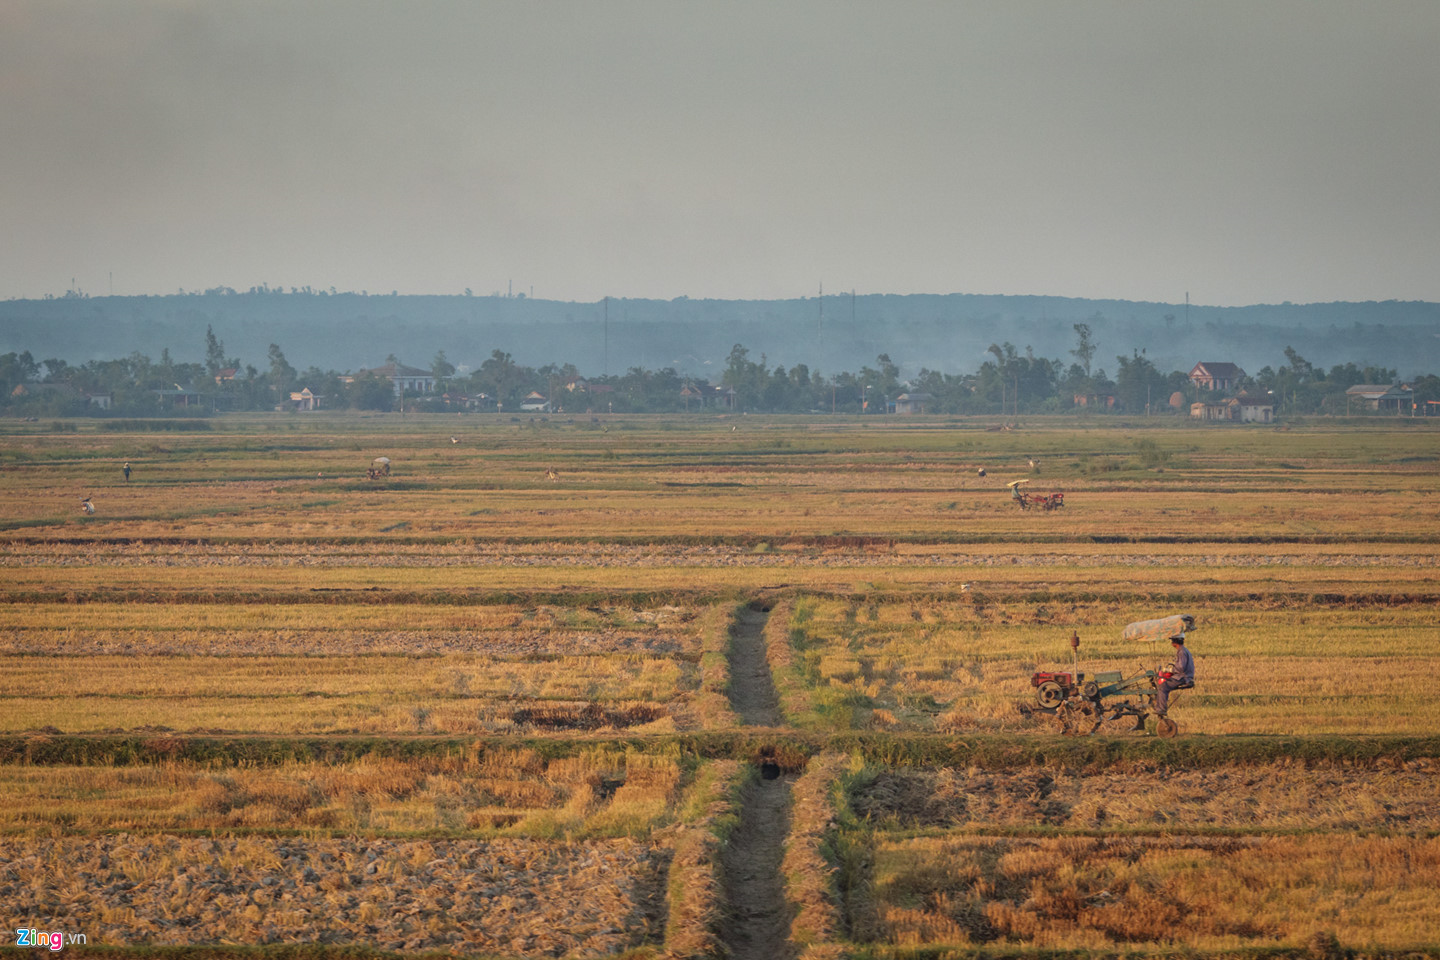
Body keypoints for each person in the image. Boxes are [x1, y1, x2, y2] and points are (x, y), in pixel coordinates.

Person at [1155, 634, 1194, 715]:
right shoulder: (1183, 650)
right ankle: (1159, 706)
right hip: (1183, 676)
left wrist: (1169, 670)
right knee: (1164, 683)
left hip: (1182, 677)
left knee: (1163, 686)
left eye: (1172, 640)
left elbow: (1180, 668)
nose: (1171, 642)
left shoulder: (1182, 652)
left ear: (1175, 642)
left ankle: (1161, 709)